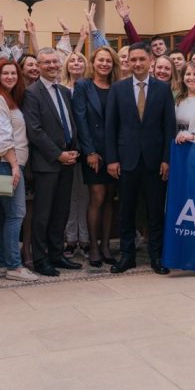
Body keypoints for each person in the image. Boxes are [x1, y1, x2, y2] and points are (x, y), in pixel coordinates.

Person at [105, 42, 176, 275]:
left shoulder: (163, 89)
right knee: (126, 210)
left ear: (150, 61)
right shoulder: (118, 89)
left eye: (141, 59)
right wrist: (112, 159)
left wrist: (167, 159)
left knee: (155, 211)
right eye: (132, 59)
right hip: (126, 160)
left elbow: (169, 127)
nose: (137, 63)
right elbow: (111, 126)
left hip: (155, 161)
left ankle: (157, 256)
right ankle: (127, 256)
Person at [22, 48, 81, 277]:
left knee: (61, 211)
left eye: (55, 62)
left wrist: (74, 150)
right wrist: (58, 155)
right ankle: (40, 259)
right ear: (38, 66)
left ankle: (57, 255)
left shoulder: (64, 91)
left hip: (68, 160)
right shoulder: (31, 93)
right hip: (47, 163)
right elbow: (35, 130)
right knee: (43, 214)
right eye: (46, 62)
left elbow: (70, 123)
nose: (52, 66)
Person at [0, 59, 38, 282]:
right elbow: (2, 136)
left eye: (13, 73)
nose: (10, 77)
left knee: (4, 216)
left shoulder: (7, 98)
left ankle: (3, 263)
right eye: (5, 73)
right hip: (5, 164)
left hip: (4, 163)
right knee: (16, 214)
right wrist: (15, 165)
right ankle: (14, 266)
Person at [73, 46, 120, 267]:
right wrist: (89, 151)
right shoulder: (83, 86)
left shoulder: (118, 86)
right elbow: (80, 120)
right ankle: (93, 246)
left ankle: (106, 245)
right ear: (93, 62)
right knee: (97, 198)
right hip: (93, 151)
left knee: (110, 198)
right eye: (101, 60)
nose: (104, 64)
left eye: (108, 61)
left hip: (115, 151)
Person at [61, 51, 90, 258]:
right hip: (66, 149)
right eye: (72, 60)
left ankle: (86, 239)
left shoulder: (90, 86)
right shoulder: (60, 88)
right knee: (70, 197)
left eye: (80, 59)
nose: (76, 63)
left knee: (85, 196)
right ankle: (71, 239)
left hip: (87, 148)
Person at [115, 0, 195, 56]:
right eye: (154, 45)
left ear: (165, 47)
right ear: (151, 49)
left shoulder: (173, 59)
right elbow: (136, 42)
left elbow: (188, 41)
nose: (158, 47)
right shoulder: (147, 61)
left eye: (160, 44)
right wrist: (126, 19)